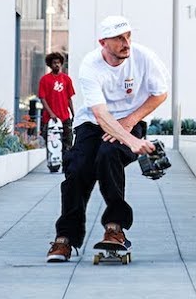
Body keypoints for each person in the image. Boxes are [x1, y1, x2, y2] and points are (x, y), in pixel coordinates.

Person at [46, 15, 168, 262]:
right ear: (103, 42)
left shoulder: (144, 57)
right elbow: (101, 115)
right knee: (78, 168)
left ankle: (115, 228)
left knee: (109, 154)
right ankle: (65, 239)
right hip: (92, 122)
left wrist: (131, 123)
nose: (126, 42)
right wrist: (132, 142)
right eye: (119, 38)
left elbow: (160, 94)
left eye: (128, 36)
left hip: (130, 120)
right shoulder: (90, 65)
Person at [37, 51, 75, 150]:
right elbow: (42, 98)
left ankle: (67, 164)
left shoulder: (66, 79)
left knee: (68, 144)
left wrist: (73, 113)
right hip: (50, 119)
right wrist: (51, 113)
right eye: (54, 62)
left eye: (58, 62)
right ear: (50, 64)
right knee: (52, 145)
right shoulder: (44, 80)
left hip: (65, 117)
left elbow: (69, 98)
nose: (57, 65)